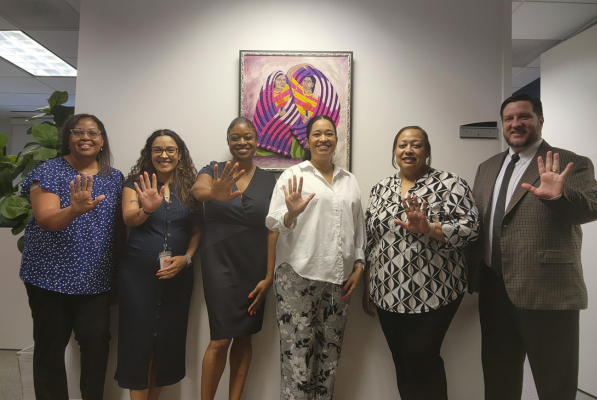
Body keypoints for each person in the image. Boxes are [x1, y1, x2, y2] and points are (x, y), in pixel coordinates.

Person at [467, 94, 597, 400]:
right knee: (499, 380)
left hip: (547, 291)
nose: (516, 124)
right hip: (494, 290)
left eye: (524, 117)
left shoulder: (569, 161)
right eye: (509, 118)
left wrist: (558, 196)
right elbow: (478, 223)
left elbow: (593, 207)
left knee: (555, 385)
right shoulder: (487, 167)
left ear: (540, 120)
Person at [362, 126, 479, 400]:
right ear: (395, 151)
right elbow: (371, 240)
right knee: (401, 359)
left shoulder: (450, 183)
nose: (409, 150)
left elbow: (471, 228)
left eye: (416, 145)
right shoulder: (380, 188)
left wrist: (430, 228)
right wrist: (368, 283)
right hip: (386, 292)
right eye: (402, 145)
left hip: (436, 289)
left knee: (422, 356)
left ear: (427, 151)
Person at [19, 113, 123, 400]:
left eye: (93, 132)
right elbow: (46, 219)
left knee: (96, 345)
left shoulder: (114, 178)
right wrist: (74, 210)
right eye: (78, 131)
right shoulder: (49, 171)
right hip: (49, 278)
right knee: (50, 348)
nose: (86, 137)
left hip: (94, 280)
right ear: (68, 138)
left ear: (102, 140)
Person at [266, 114, 366, 400]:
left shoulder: (349, 180)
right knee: (297, 358)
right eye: (317, 134)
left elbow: (357, 225)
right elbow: (273, 222)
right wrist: (291, 213)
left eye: (329, 134)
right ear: (307, 141)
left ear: (336, 140)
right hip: (298, 277)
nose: (323, 138)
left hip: (339, 279)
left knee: (329, 358)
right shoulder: (293, 176)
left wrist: (359, 264)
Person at [191, 116, 277, 400]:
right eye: (235, 137)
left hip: (253, 263)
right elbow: (198, 190)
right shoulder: (214, 170)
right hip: (219, 260)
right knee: (220, 339)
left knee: (244, 335)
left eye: (248, 136)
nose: (242, 142)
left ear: (257, 140)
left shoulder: (269, 179)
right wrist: (213, 192)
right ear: (228, 141)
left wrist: (268, 275)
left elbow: (272, 230)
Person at [114, 129, 202, 400]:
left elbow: (198, 229)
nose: (164, 155)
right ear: (149, 153)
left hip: (177, 277)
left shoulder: (191, 187)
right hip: (138, 277)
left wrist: (187, 258)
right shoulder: (134, 184)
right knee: (138, 344)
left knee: (166, 345)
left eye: (170, 149)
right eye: (157, 149)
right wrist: (147, 208)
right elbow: (129, 218)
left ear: (179, 154)